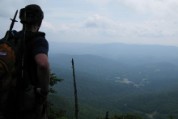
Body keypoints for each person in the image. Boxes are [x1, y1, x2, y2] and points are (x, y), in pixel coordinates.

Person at [14, 4, 50, 119]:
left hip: (6, 98)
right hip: (27, 102)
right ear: (39, 23)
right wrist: (44, 91)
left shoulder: (10, 37)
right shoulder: (38, 40)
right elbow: (43, 64)